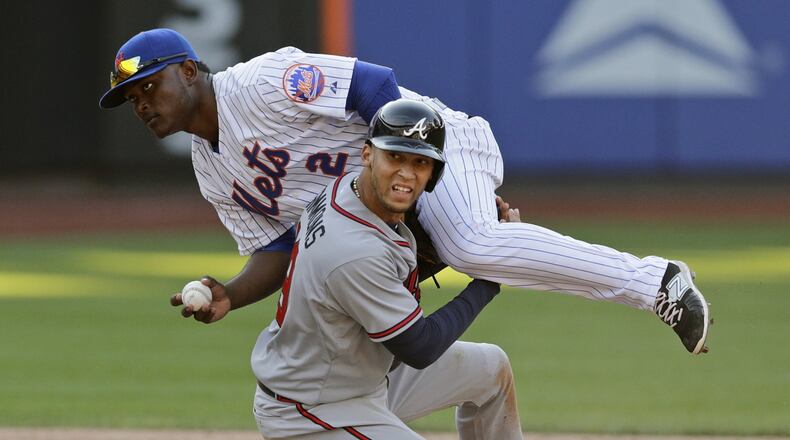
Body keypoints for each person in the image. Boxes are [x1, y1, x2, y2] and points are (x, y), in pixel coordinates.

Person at [99, 28, 710, 355]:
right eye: (131, 99)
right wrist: (230, 294)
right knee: (348, 325)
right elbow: (282, 247)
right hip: (390, 202)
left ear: (188, 70)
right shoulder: (210, 170)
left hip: (439, 144)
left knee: (469, 244)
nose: (141, 103)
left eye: (148, 86)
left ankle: (657, 282)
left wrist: (415, 192)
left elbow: (376, 88)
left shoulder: (261, 83)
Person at [244, 98, 522, 439]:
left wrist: (474, 226)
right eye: (395, 156)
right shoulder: (352, 251)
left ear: (433, 173)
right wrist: (489, 277)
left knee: (490, 369)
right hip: (312, 408)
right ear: (368, 155)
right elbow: (420, 347)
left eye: (420, 162)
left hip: (360, 374)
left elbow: (390, 271)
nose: (406, 173)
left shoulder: (347, 189)